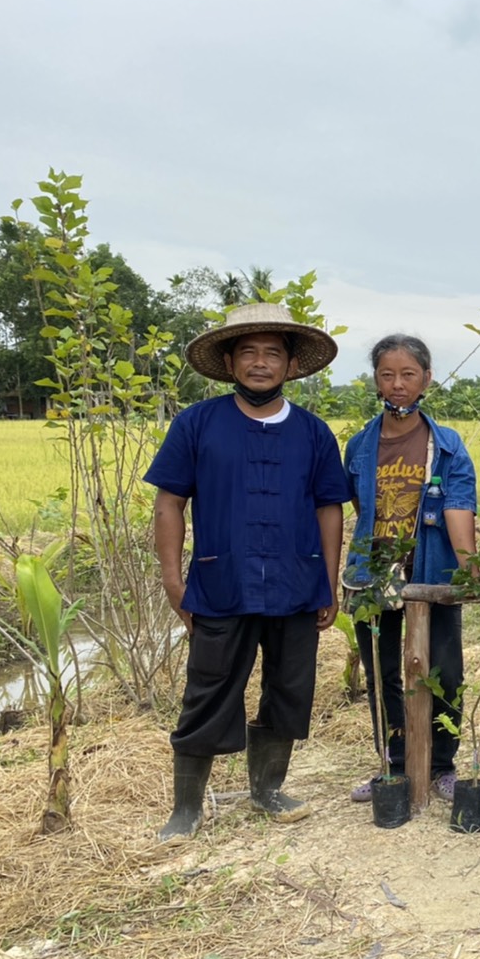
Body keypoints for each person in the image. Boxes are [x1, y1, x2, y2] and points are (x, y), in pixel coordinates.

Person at [147, 302, 351, 842]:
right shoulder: (197, 423)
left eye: (272, 353)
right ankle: (185, 809)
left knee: (289, 691)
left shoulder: (313, 432)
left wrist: (327, 580)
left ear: (289, 365)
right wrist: (174, 581)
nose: (260, 363)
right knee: (207, 692)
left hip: (296, 585)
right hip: (221, 584)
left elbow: (329, 508)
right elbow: (169, 504)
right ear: (231, 362)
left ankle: (268, 788)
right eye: (249, 353)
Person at [342, 336, 477, 803]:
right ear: (376, 379)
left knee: (446, 668)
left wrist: (468, 568)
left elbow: (459, 505)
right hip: (373, 576)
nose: (397, 384)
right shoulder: (360, 445)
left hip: (433, 572)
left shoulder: (446, 444)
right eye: (387, 374)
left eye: (408, 375)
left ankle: (442, 764)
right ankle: (394, 765)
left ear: (426, 378)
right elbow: (362, 508)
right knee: (384, 675)